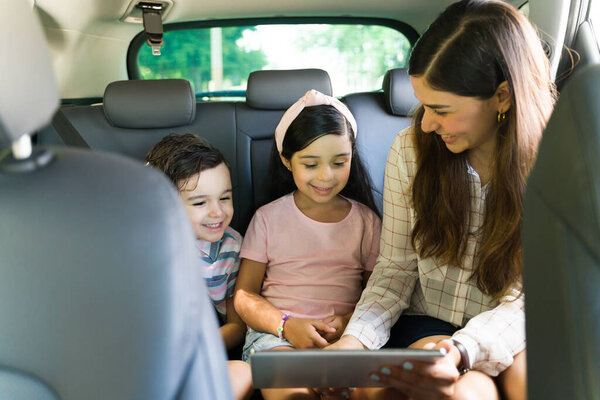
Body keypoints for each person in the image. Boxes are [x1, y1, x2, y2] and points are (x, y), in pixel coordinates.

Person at [328, 1, 556, 400]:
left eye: (441, 109)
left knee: (527, 381)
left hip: (511, 326)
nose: (427, 123)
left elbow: (532, 294)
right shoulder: (410, 150)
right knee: (450, 392)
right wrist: (355, 342)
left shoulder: (554, 163)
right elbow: (396, 267)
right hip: (428, 321)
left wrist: (465, 348)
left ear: (502, 97)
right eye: (424, 105)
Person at [234, 90, 382, 400]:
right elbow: (245, 296)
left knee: (371, 391)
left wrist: (348, 325)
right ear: (287, 161)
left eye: (339, 162)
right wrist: (286, 326)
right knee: (293, 391)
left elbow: (379, 293)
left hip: (345, 340)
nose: (326, 176)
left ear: (352, 156)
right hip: (276, 340)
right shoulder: (268, 218)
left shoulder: (366, 221)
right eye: (311, 164)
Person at [145, 133, 253, 400]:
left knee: (242, 372)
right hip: (146, 357)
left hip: (196, 356)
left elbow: (237, 326)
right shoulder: (145, 244)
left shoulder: (231, 248)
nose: (217, 212)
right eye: (200, 203)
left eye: (225, 198)